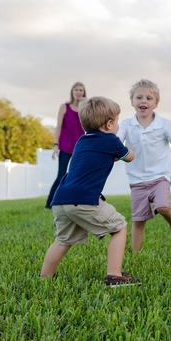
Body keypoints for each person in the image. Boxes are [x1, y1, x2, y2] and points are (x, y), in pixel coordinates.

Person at [40, 96, 140, 287]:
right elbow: (129, 157)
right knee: (119, 227)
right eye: (117, 121)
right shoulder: (111, 140)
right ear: (109, 124)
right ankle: (114, 275)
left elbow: (97, 158)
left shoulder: (82, 141)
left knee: (62, 240)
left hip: (61, 199)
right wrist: (129, 149)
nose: (117, 125)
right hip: (84, 199)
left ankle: (44, 278)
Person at [118, 79, 171, 252]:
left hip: (159, 177)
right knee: (138, 220)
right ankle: (135, 254)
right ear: (132, 101)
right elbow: (116, 144)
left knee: (162, 207)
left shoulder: (164, 124)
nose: (143, 101)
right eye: (139, 97)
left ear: (156, 103)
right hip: (137, 181)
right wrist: (119, 153)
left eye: (148, 98)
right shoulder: (126, 124)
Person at [45, 82, 86, 209]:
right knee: (61, 176)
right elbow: (58, 127)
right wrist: (55, 144)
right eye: (76, 90)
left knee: (78, 176)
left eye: (81, 90)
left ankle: (75, 203)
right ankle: (49, 204)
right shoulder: (64, 107)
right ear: (72, 92)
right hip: (65, 146)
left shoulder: (85, 108)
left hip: (80, 148)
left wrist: (85, 105)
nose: (78, 92)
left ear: (84, 93)